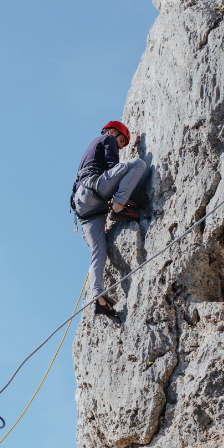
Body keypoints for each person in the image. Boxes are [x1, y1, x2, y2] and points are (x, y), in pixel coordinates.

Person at [71, 121, 147, 322]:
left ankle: (98, 297)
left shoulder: (89, 151)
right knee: (138, 164)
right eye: (121, 141)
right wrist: (121, 200)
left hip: (83, 208)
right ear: (113, 132)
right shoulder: (107, 139)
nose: (121, 146)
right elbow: (114, 167)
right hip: (93, 189)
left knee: (99, 249)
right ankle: (118, 208)